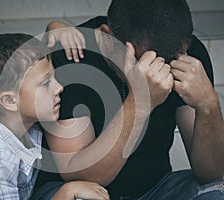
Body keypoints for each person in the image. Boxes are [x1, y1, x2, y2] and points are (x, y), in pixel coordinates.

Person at [33, 0, 224, 199]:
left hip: (155, 189)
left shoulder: (187, 56)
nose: (158, 72)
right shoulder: (72, 56)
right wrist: (141, 101)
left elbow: (212, 172)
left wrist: (207, 104)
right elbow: (80, 175)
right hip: (79, 191)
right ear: (108, 38)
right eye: (144, 60)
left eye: (168, 62)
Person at [0, 33, 110, 200]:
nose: (59, 87)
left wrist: (56, 28)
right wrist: (66, 193)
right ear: (10, 101)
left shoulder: (8, 114)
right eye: (46, 82)